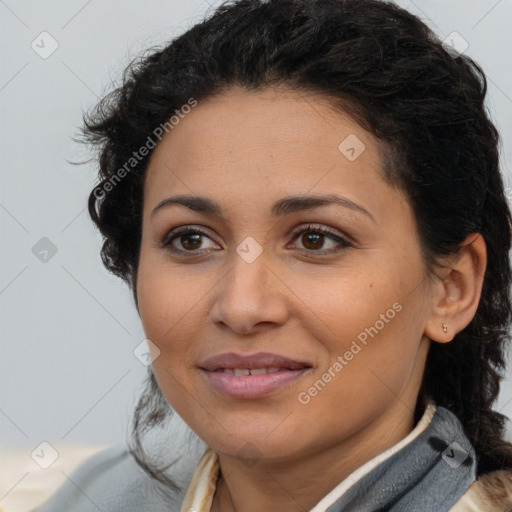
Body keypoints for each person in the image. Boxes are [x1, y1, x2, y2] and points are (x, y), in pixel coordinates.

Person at [33, 0, 512, 510]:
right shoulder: (96, 496)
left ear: (451, 288)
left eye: (316, 239)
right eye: (191, 239)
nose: (241, 307)